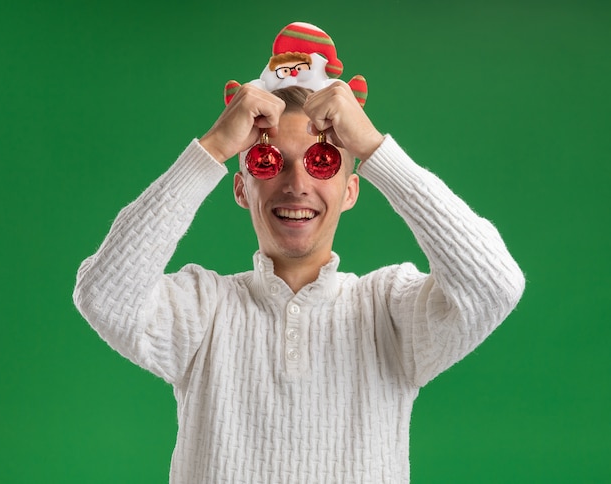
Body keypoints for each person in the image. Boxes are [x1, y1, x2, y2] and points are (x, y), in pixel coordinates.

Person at [73, 81, 524, 483]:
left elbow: (495, 286)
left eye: (321, 163)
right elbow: (104, 294)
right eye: (271, 164)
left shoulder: (389, 309)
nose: (297, 185)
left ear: (350, 190)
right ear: (242, 187)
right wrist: (210, 150)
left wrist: (373, 148)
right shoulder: (203, 308)